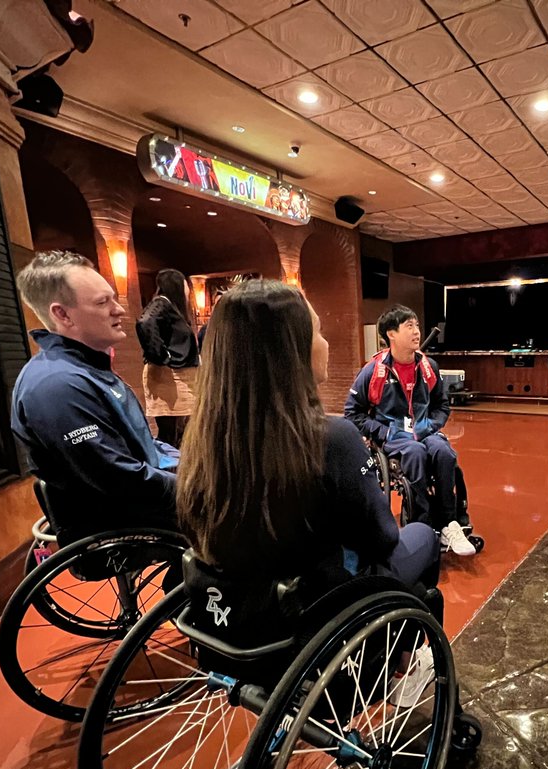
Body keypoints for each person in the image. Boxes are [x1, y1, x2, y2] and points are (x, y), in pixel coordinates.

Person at [176, 281, 442, 698]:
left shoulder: (204, 436)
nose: (325, 342)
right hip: (309, 614)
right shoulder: (331, 438)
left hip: (236, 612)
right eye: (317, 332)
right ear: (291, 350)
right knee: (423, 535)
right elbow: (382, 537)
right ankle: (401, 665)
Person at [11, 251, 178, 542]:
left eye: (113, 298)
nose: (119, 310)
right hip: (115, 516)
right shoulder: (57, 386)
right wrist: (193, 486)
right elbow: (117, 476)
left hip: (137, 495)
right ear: (62, 314)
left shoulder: (86, 368)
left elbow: (140, 446)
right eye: (103, 303)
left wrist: (195, 462)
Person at [344, 305, 476, 557]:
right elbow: (353, 413)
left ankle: (450, 523)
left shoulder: (429, 367)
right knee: (415, 453)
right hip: (394, 435)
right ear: (391, 334)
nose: (417, 332)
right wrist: (384, 432)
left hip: (426, 431)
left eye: (417, 325)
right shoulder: (373, 371)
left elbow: (441, 405)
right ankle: (423, 524)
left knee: (444, 454)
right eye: (409, 327)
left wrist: (432, 425)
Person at [136, 268, 200, 447]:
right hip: (169, 380)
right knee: (173, 433)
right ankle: (173, 471)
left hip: (180, 379)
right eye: (186, 285)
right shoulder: (161, 303)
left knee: (183, 432)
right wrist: (164, 357)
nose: (188, 290)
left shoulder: (170, 307)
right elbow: (145, 323)